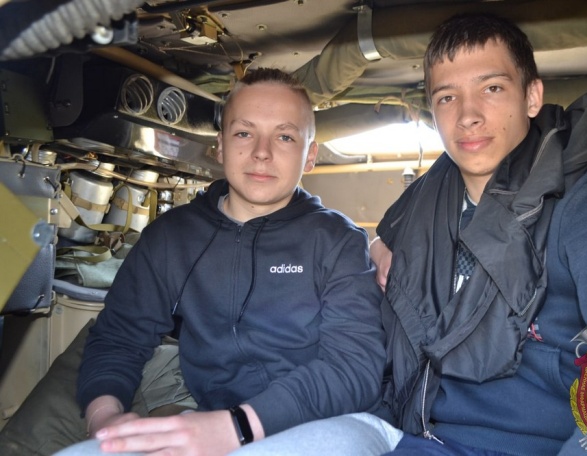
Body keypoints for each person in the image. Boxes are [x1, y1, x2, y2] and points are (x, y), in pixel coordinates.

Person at [231, 13, 587, 456]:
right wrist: (376, 247)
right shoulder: (423, 201)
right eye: (447, 97)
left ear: (532, 96)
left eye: (492, 89)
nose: (468, 115)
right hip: (405, 430)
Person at [53, 67, 386, 455]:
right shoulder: (172, 236)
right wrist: (105, 420)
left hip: (330, 422)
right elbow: (119, 338)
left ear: (309, 155)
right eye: (244, 133)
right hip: (216, 421)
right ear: (221, 147)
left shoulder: (336, 240)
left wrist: (238, 426)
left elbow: (353, 368)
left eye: (284, 136)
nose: (261, 152)